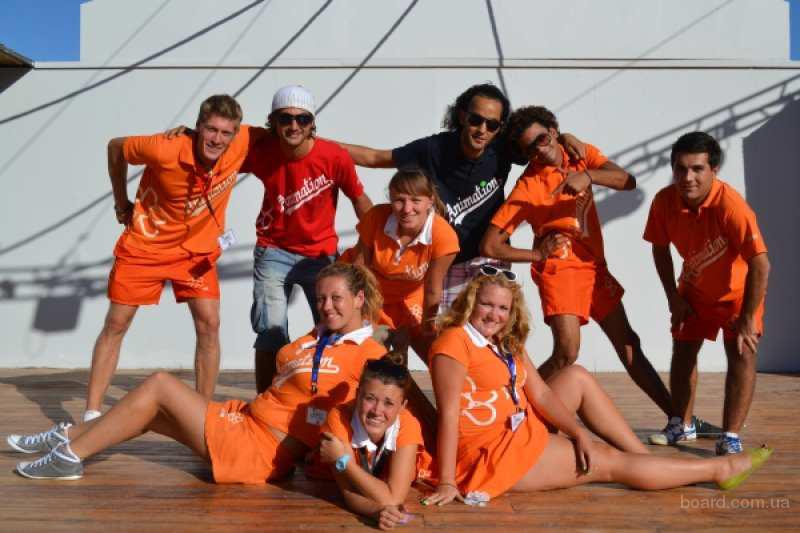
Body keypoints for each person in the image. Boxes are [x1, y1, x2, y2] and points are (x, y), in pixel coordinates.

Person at [8, 263, 387, 483]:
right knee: (149, 414)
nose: (326, 306)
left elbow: (391, 409)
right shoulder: (317, 337)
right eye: (321, 298)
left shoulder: (369, 352)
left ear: (358, 299)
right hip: (244, 420)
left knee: (160, 384)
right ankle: (67, 436)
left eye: (336, 298)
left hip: (259, 450)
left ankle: (69, 456)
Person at [422, 272, 772, 506]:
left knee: (576, 376)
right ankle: (719, 470)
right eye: (486, 304)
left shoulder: (504, 340)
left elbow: (540, 395)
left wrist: (577, 432)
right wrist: (448, 482)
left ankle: (647, 462)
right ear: (470, 303)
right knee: (608, 462)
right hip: (492, 455)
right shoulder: (454, 343)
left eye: (503, 308)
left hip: (517, 425)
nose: (494, 314)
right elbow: (449, 415)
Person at [481, 105, 673, 419]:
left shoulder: (579, 154)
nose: (539, 150)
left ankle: (678, 418)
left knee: (628, 343)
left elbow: (628, 181)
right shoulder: (529, 186)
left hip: (594, 266)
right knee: (567, 352)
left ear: (553, 131)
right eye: (530, 149)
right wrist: (537, 255)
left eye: (542, 139)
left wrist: (589, 175)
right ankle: (512, 409)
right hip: (561, 269)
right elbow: (490, 244)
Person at [84, 94, 257, 422]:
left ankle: (201, 416)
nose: (217, 139)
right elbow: (115, 147)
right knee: (116, 323)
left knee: (209, 323)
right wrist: (121, 202)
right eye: (211, 129)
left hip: (196, 252)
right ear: (198, 126)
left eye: (225, 132)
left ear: (235, 133)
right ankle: (91, 414)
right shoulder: (164, 147)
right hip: (145, 246)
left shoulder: (244, 140)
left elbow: (293, 138)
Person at [339, 83, 585, 312]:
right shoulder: (434, 149)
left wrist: (564, 137)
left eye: (492, 125)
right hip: (449, 262)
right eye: (476, 120)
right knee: (447, 334)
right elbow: (375, 157)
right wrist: (321, 146)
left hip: (491, 259)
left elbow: (539, 142)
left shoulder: (502, 148)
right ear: (462, 116)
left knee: (493, 330)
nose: (482, 130)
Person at [643, 132, 770, 455]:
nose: (688, 177)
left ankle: (730, 436)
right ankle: (682, 425)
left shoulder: (732, 206)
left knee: (742, 353)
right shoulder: (663, 201)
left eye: (697, 169)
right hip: (694, 289)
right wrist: (673, 298)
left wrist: (747, 317)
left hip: (738, 294)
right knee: (683, 351)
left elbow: (761, 264)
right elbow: (659, 249)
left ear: (714, 170)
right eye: (680, 168)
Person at [241, 85, 373, 393]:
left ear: (312, 122)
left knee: (336, 329)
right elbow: (217, 152)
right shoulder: (261, 151)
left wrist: (372, 246)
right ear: (273, 122)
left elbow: (359, 200)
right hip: (273, 250)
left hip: (321, 255)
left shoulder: (334, 156)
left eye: (302, 119)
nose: (294, 125)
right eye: (285, 118)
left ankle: (331, 399)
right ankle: (267, 402)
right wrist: (188, 136)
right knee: (270, 332)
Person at [347, 170, 459, 359]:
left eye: (416, 200)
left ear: (430, 201)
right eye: (399, 200)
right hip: (370, 293)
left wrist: (428, 328)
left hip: (409, 296)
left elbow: (432, 289)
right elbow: (358, 271)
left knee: (437, 354)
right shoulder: (376, 217)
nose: (407, 209)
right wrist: (361, 317)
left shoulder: (443, 235)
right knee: (371, 354)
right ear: (390, 199)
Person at [319, 354, 431, 530]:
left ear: (402, 406)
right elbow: (348, 490)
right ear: (358, 395)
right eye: (370, 398)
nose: (377, 411)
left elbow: (394, 498)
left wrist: (343, 461)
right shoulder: (338, 418)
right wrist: (376, 511)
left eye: (389, 403)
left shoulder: (408, 424)